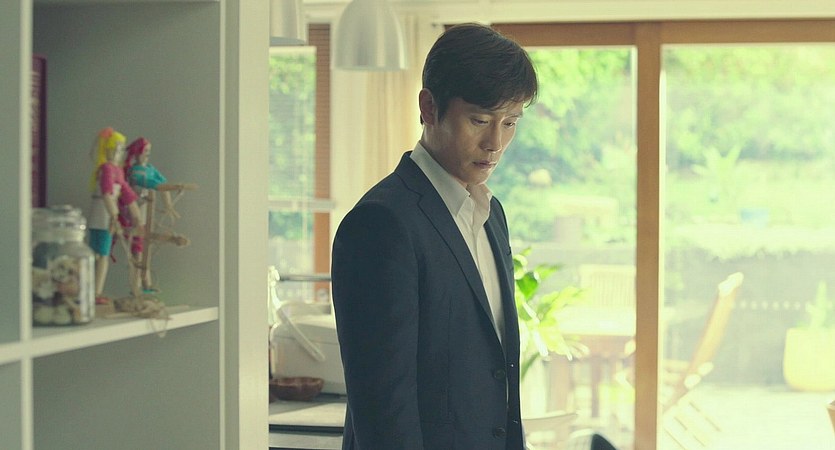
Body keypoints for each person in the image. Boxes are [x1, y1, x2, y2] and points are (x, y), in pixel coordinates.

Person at [330, 23, 538, 450]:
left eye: (510, 122)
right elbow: (383, 409)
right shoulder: (381, 223)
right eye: (480, 120)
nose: (495, 142)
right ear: (429, 107)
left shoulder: (491, 214)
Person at [87, 127, 141, 301]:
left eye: (121, 149)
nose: (118, 152)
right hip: (102, 214)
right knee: (100, 254)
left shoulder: (117, 170)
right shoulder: (106, 169)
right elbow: (107, 193)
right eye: (115, 148)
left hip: (107, 213)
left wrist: (136, 214)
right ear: (108, 149)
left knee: (101, 253)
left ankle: (95, 291)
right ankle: (94, 292)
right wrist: (114, 215)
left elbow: (126, 192)